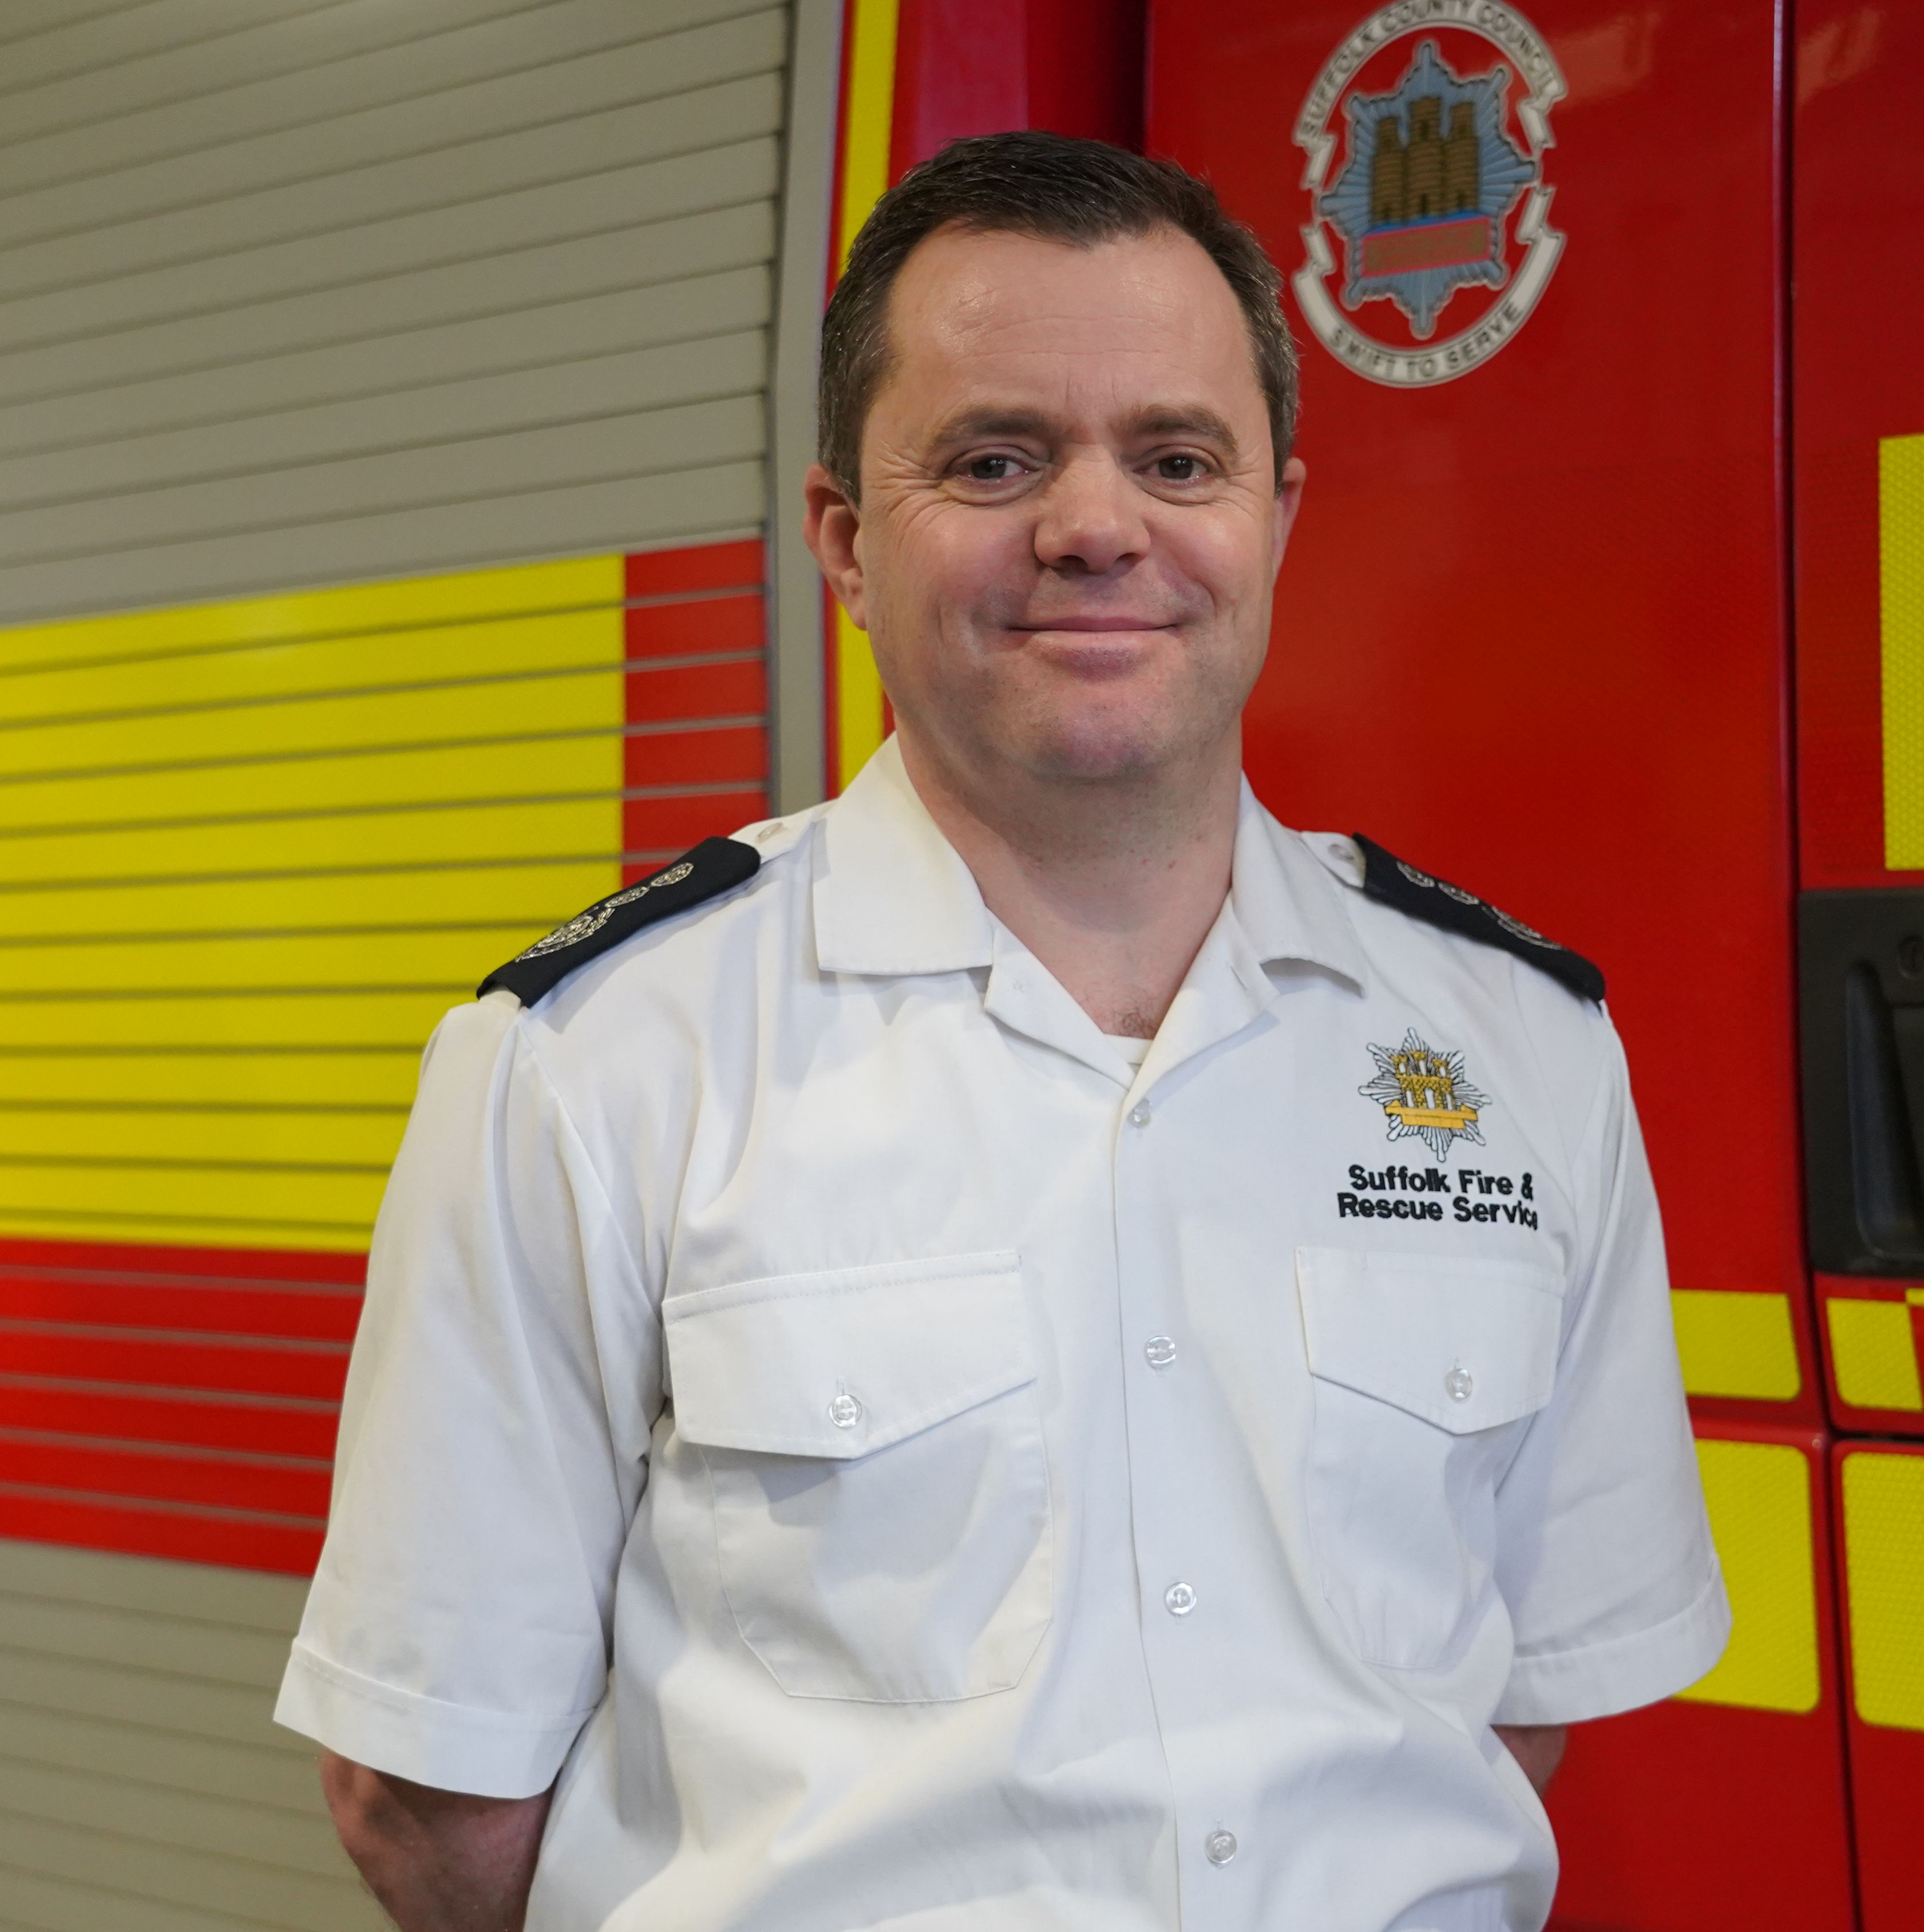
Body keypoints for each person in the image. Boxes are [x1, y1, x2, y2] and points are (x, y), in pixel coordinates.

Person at [275, 130, 1728, 1932]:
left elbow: (1512, 1705)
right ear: (845, 542)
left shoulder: (1525, 1051)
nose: (1097, 523)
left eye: (1178, 457)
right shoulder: (597, 1064)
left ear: (1277, 517)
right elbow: (426, 1793)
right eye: (994, 458)